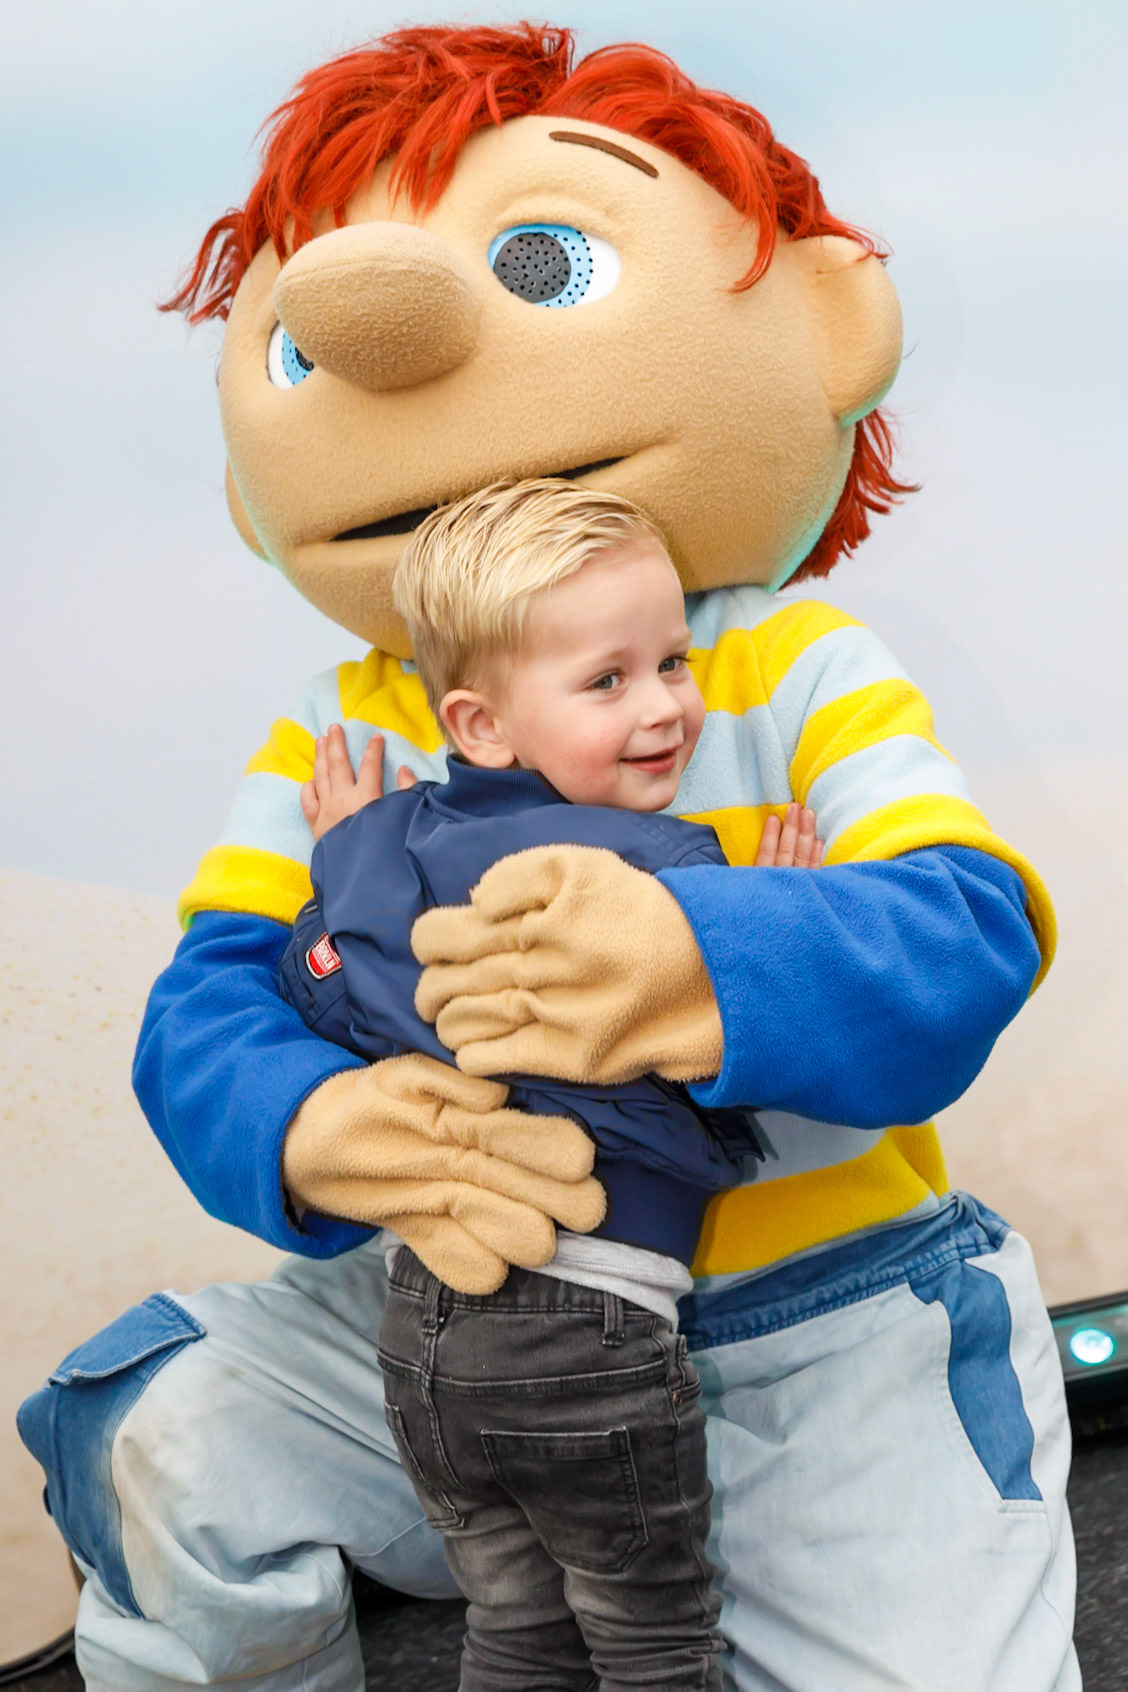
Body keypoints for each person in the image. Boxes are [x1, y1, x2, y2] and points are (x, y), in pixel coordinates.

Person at [17, 26, 1077, 1692]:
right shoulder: (335, 724)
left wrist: (699, 952)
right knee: (168, 1428)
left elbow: (957, 933)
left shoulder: (792, 663)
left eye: (537, 261)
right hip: (460, 1318)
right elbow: (208, 1007)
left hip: (813, 1323)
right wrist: (307, 1118)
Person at [279, 476, 819, 1688]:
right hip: (589, 1327)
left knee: (516, 1632)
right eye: (607, 682)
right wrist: (767, 917)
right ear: (479, 723)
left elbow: (326, 987)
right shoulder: (659, 862)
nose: (667, 708)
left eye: (672, 663)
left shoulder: (390, 838)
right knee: (653, 1642)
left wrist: (341, 858)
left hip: (423, 1337)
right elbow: (723, 1074)